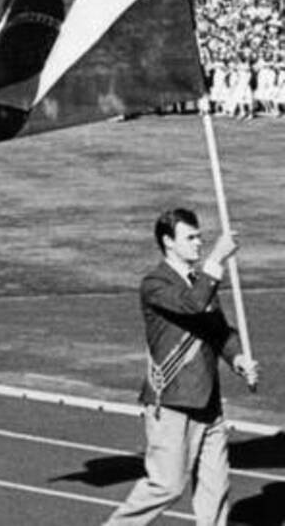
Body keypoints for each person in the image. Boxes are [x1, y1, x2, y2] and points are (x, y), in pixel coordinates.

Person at [105, 208, 259, 525]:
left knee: (215, 490)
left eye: (200, 237)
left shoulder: (199, 282)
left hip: (209, 402)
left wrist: (237, 358)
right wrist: (217, 258)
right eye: (190, 238)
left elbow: (218, 330)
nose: (199, 243)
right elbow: (192, 305)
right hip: (173, 401)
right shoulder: (155, 284)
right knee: (166, 485)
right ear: (168, 242)